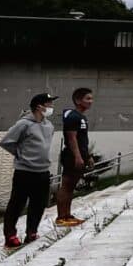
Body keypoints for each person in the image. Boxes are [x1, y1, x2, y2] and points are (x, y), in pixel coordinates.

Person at [0, 94, 56, 248]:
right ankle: (10, 236)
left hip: (43, 171)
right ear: (39, 106)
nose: (51, 107)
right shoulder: (24, 124)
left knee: (39, 204)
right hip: (24, 171)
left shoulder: (49, 125)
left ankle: (32, 232)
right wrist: (21, 155)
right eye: (48, 104)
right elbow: (6, 142)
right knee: (17, 204)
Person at [55, 87, 94, 226]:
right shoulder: (73, 117)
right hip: (72, 156)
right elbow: (72, 139)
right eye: (87, 99)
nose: (91, 101)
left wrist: (87, 155)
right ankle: (61, 217)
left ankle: (68, 215)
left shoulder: (81, 117)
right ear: (78, 100)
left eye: (91, 98)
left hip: (80, 155)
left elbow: (83, 140)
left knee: (71, 187)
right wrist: (78, 156)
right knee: (66, 185)